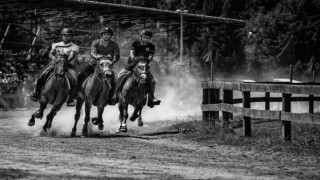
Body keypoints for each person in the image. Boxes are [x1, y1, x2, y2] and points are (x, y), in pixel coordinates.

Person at [29, 28, 79, 106]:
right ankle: (35, 93)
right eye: (65, 36)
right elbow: (51, 53)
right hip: (55, 65)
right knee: (41, 75)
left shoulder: (75, 46)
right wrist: (53, 58)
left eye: (68, 36)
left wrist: (63, 61)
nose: (66, 37)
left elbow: (72, 56)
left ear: (71, 37)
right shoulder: (55, 45)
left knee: (75, 79)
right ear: (62, 36)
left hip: (67, 66)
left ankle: (71, 99)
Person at [116, 29, 161, 108]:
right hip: (132, 64)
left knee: (152, 81)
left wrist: (148, 60)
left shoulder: (151, 46)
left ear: (149, 39)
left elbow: (150, 56)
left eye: (147, 38)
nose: (145, 39)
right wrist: (134, 59)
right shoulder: (135, 43)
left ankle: (151, 99)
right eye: (144, 37)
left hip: (144, 65)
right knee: (120, 75)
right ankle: (114, 95)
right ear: (141, 37)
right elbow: (131, 53)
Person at [77, 27, 120, 105]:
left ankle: (110, 98)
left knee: (114, 80)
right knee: (80, 75)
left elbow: (117, 56)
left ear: (110, 36)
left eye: (108, 34)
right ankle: (75, 94)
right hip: (94, 63)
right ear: (102, 35)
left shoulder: (114, 44)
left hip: (107, 66)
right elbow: (93, 52)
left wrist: (112, 62)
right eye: (104, 34)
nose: (106, 36)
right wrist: (97, 57)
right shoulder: (96, 42)